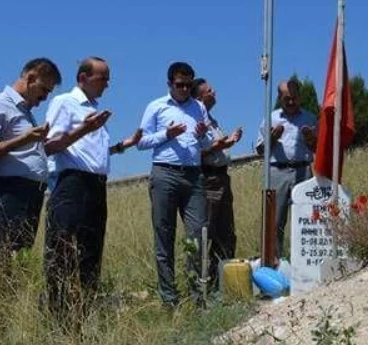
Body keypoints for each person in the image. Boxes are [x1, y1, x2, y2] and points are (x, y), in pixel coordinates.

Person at [42, 57, 141, 319]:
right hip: (72, 184)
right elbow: (49, 146)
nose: (106, 85)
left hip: (96, 186)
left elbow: (90, 154)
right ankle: (59, 317)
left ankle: (83, 313)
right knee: (64, 251)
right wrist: (85, 128)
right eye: (102, 79)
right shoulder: (65, 103)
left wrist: (122, 146)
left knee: (90, 251)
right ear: (83, 78)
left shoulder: (95, 110)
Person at [0, 58, 59, 272]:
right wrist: (24, 139)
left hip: (28, 194)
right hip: (5, 193)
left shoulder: (25, 112)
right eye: (44, 89)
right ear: (30, 78)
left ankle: (11, 304)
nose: (45, 97)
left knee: (19, 261)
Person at [137, 62, 212, 308]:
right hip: (164, 174)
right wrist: (166, 135)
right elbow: (141, 141)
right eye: (180, 84)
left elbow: (207, 143)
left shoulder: (198, 107)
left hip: (193, 176)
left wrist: (202, 134)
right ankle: (170, 299)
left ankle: (198, 297)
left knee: (197, 236)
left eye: (189, 85)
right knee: (164, 236)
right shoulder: (156, 107)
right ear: (169, 83)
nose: (184, 89)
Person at [254, 78, 317, 257]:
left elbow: (317, 148)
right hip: (277, 172)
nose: (290, 101)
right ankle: (275, 264)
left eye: (294, 97)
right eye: (286, 98)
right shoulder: (271, 118)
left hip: (303, 170)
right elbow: (259, 150)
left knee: (306, 218)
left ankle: (304, 263)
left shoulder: (310, 118)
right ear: (279, 98)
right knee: (274, 222)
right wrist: (273, 137)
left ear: (300, 97)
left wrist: (310, 138)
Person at [193, 78, 242, 290]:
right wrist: (218, 146)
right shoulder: (196, 123)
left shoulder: (212, 120)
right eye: (209, 90)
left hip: (222, 177)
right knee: (208, 231)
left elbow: (217, 147)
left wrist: (228, 142)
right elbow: (196, 152)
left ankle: (224, 282)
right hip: (209, 179)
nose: (214, 92)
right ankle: (205, 284)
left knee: (226, 232)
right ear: (199, 97)